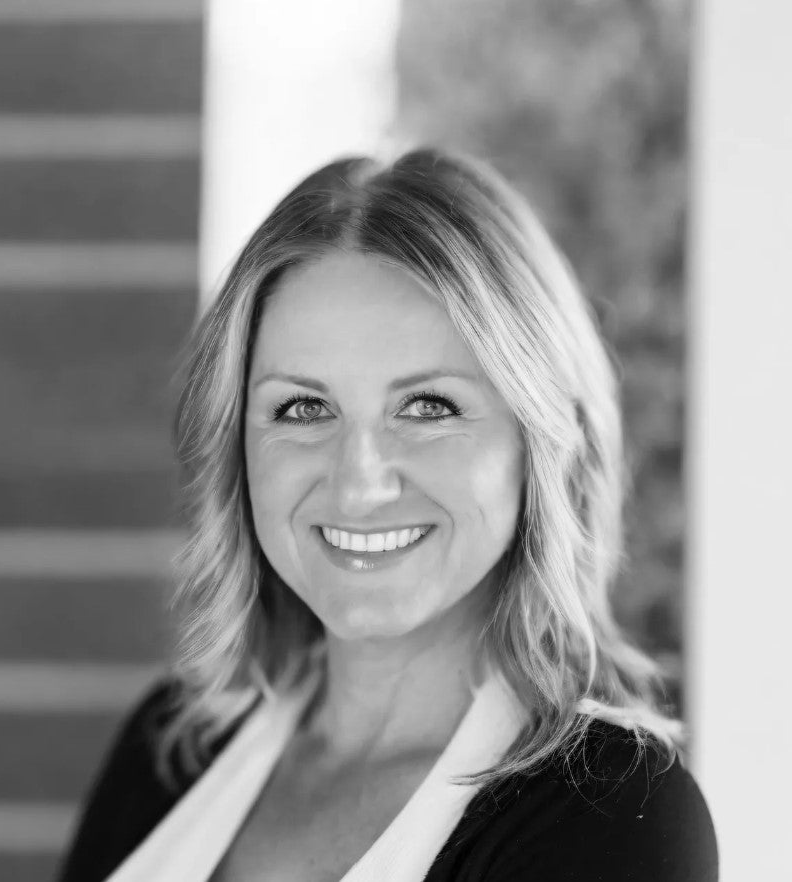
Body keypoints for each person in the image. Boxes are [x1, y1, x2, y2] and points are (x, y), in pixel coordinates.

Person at [57, 148, 718, 881]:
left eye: (428, 406)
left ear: (539, 442)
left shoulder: (608, 814)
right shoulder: (172, 744)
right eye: (303, 408)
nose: (359, 484)